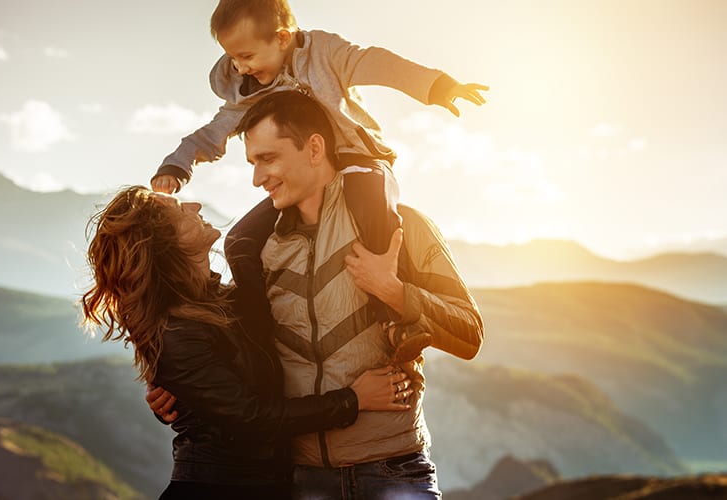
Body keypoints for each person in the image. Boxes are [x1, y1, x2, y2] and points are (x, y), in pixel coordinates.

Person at [150, 90, 485, 499]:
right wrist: (178, 392)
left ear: (314, 149)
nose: (257, 178)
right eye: (253, 162)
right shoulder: (259, 251)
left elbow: (470, 335)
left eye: (268, 159)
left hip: (392, 471)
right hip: (300, 479)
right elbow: (230, 343)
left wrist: (394, 290)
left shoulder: (402, 227)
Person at [150, 0, 486, 351]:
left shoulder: (324, 54)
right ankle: (257, 333)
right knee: (239, 239)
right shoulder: (249, 91)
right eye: (233, 58)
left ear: (282, 38)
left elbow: (374, 63)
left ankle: (390, 317)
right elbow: (215, 130)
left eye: (247, 56)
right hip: (293, 382)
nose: (240, 67)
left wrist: (436, 86)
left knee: (367, 195)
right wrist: (177, 165)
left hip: (359, 159)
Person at [82, 186, 417, 499]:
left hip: (266, 484)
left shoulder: (225, 300)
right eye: (179, 211)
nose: (195, 205)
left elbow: (283, 194)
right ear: (164, 242)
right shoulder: (176, 331)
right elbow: (252, 419)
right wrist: (353, 400)